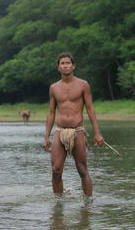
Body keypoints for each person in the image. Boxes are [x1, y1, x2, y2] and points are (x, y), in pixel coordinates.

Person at [44, 52, 104, 197]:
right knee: (56, 169)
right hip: (60, 130)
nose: (65, 65)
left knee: (82, 169)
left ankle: (88, 203)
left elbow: (90, 109)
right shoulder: (54, 88)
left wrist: (97, 133)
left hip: (78, 130)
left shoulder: (83, 85)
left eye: (68, 63)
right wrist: (46, 136)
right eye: (62, 63)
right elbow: (51, 112)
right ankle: (58, 204)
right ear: (58, 67)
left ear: (73, 65)